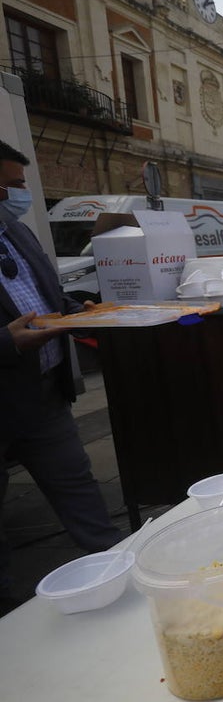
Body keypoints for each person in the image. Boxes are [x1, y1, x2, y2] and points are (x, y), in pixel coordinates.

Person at [1, 139, 124, 603]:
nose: (17, 195)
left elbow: (47, 298)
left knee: (81, 493)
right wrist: (6, 342)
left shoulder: (16, 232)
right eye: (9, 185)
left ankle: (116, 578)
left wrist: (81, 311)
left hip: (43, 399)